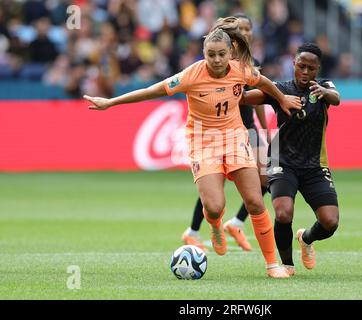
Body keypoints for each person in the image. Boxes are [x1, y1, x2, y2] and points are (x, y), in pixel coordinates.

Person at [84, 19, 302, 278]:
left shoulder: (241, 70)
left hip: (234, 138)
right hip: (202, 140)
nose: (217, 60)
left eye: (222, 54)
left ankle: (271, 265)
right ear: (204, 54)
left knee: (255, 201)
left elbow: (264, 82)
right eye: (211, 55)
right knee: (213, 206)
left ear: (231, 52)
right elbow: (150, 91)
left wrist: (281, 98)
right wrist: (110, 102)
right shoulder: (191, 75)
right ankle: (215, 225)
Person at [241, 43, 340, 276]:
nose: (305, 72)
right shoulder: (279, 89)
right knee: (283, 212)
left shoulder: (324, 87)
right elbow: (247, 98)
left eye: (311, 68)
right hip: (280, 160)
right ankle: (287, 264)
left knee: (330, 222)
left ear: (318, 69)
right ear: (293, 64)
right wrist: (235, 87)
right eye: (301, 66)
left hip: (314, 164)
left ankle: (306, 238)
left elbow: (336, 98)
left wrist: (325, 93)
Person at [182, 14, 269, 252]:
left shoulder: (250, 62)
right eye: (240, 29)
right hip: (217, 131)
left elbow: (259, 97)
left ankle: (237, 222)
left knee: (268, 177)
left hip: (246, 128)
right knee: (214, 184)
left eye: (248, 29)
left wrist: (265, 129)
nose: (245, 33)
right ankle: (196, 230)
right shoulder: (217, 60)